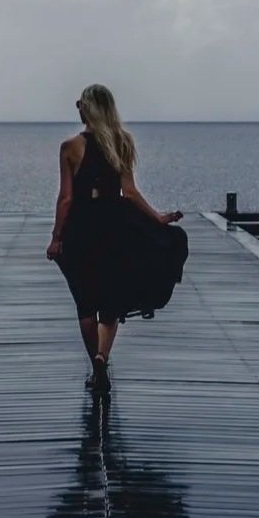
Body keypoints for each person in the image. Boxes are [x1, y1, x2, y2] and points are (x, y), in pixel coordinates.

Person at [47, 84, 188, 391]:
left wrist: (56, 237)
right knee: (109, 299)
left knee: (84, 300)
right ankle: (101, 356)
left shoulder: (70, 147)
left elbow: (66, 199)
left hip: (81, 224)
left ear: (87, 108)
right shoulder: (122, 142)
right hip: (114, 221)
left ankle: (95, 365)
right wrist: (159, 218)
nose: (78, 109)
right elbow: (131, 192)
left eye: (79, 104)